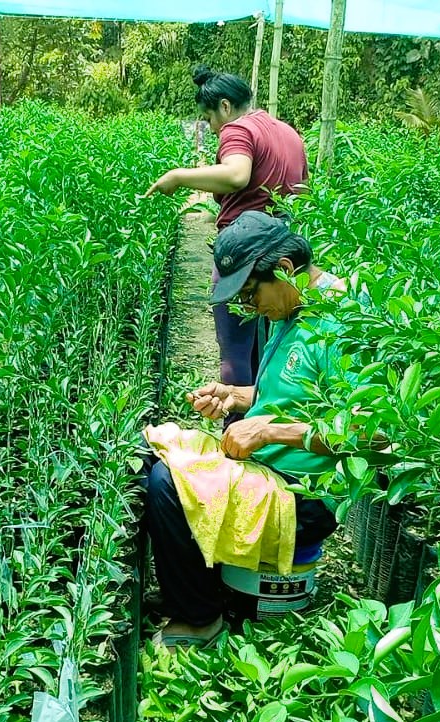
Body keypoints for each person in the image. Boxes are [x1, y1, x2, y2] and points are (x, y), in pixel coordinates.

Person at [142, 211, 351, 649]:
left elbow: (376, 434)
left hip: (306, 495)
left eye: (253, 292)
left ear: (285, 269)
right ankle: (191, 585)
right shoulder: (289, 310)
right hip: (269, 470)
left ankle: (200, 618)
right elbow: (290, 395)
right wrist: (236, 397)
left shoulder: (342, 324)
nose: (251, 306)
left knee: (169, 484)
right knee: (156, 454)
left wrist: (272, 433)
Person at [143, 67, 308, 426]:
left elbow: (236, 174)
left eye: (209, 119)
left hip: (244, 254)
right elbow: (301, 191)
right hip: (282, 255)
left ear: (224, 106)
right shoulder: (288, 133)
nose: (214, 129)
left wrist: (178, 177)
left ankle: (238, 441)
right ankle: (267, 425)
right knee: (268, 351)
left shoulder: (238, 128)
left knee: (235, 355)